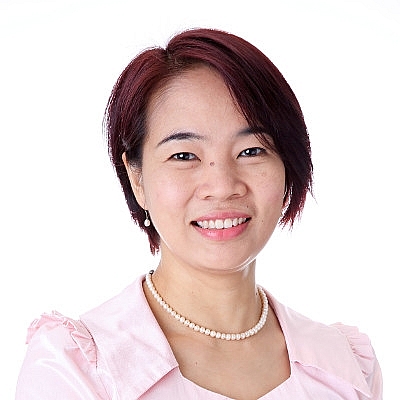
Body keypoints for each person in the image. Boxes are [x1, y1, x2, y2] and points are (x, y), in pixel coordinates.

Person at [16, 28, 382, 399]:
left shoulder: (346, 366)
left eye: (251, 151)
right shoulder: (77, 368)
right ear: (137, 178)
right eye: (184, 155)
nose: (223, 186)